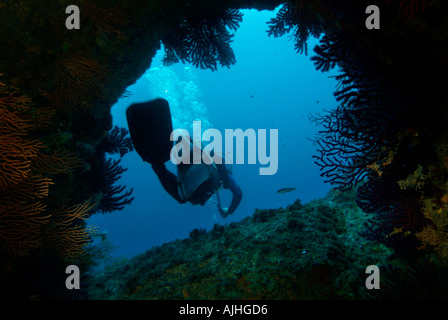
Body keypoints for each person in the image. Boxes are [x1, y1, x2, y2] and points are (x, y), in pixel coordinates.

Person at [126, 98, 242, 217]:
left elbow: (238, 194)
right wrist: (228, 211)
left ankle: (179, 144)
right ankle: (161, 161)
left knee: (186, 194)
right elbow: (238, 193)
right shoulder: (214, 181)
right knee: (184, 196)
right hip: (199, 166)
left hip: (197, 160)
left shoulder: (210, 178)